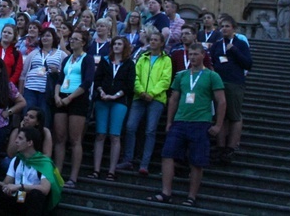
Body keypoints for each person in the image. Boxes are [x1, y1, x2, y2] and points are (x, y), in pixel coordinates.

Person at [149, 43, 226, 208]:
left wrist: (218, 125)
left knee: (197, 160)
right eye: (190, 54)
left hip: (201, 122)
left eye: (196, 54)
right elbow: (174, 99)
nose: (192, 57)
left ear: (203, 55)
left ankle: (192, 196)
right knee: (168, 154)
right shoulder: (181, 75)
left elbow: (221, 101)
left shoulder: (212, 76)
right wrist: (169, 121)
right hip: (180, 121)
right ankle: (166, 192)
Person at [118, 32, 172, 175]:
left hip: (157, 99)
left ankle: (144, 164)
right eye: (151, 40)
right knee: (130, 127)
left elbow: (165, 80)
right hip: (139, 96)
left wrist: (152, 93)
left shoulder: (166, 60)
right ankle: (128, 159)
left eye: (156, 40)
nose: (153, 42)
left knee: (150, 130)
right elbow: (135, 76)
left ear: (161, 43)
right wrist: (141, 91)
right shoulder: (142, 57)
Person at [0, 127, 62, 216]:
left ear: (30, 143)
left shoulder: (44, 162)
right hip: (17, 198)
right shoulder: (16, 159)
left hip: (31, 202)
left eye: (20, 138)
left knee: (36, 195)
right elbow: (6, 184)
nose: (16, 141)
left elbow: (45, 189)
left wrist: (20, 186)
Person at [90, 36, 135, 181]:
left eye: (119, 44)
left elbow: (129, 84)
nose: (116, 46)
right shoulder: (105, 61)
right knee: (100, 134)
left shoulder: (129, 64)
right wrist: (102, 92)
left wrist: (115, 96)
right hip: (103, 99)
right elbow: (97, 79)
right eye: (114, 44)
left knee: (115, 135)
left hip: (119, 101)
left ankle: (111, 171)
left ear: (125, 47)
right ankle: (96, 169)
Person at [52, 29, 94, 188]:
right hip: (62, 97)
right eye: (72, 39)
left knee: (75, 139)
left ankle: (73, 177)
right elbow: (60, 79)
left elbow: (87, 82)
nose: (72, 41)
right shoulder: (67, 59)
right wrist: (57, 96)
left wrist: (70, 98)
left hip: (77, 99)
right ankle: (57, 173)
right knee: (60, 137)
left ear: (83, 42)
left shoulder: (87, 59)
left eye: (76, 39)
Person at [210, 15, 252, 164]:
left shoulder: (240, 44)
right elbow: (212, 62)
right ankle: (220, 147)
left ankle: (231, 147)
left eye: (227, 26)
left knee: (234, 115)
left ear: (234, 28)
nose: (224, 29)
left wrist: (233, 50)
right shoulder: (216, 45)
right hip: (219, 83)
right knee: (221, 115)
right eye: (222, 26)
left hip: (235, 83)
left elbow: (248, 63)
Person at [20, 27, 65, 127]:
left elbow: (65, 73)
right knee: (27, 116)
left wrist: (57, 71)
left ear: (54, 38)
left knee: (44, 118)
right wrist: (21, 92)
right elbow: (23, 74)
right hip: (30, 89)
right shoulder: (33, 53)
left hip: (47, 91)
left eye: (48, 35)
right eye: (43, 36)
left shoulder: (61, 54)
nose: (45, 38)